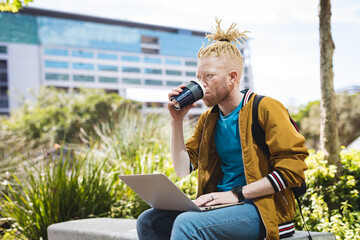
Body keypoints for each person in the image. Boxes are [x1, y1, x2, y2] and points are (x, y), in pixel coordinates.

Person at [136, 18, 309, 240]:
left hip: (263, 210)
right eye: (198, 78)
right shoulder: (209, 119)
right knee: (150, 221)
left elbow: (292, 171)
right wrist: (176, 120)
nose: (201, 84)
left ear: (232, 77)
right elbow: (182, 169)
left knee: (188, 224)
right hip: (222, 206)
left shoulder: (265, 108)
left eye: (209, 76)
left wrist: (236, 195)